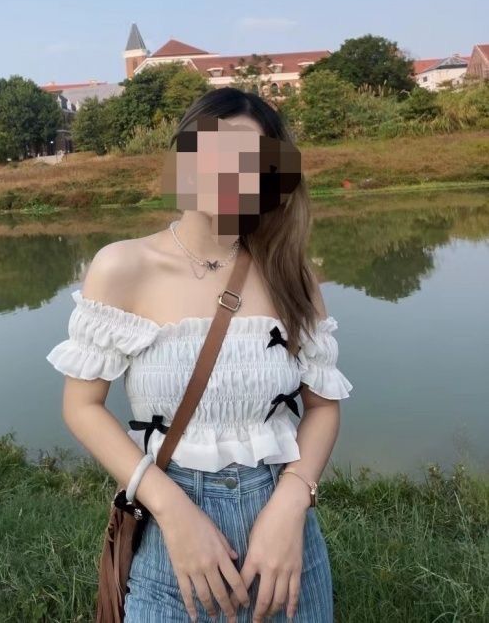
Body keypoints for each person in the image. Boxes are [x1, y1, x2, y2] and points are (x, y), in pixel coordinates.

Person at [46, 87, 353, 622]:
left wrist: (291, 504)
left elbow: (323, 406)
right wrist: (171, 511)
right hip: (172, 541)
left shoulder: (289, 272)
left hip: (285, 545)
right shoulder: (122, 266)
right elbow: (82, 406)